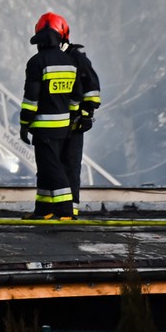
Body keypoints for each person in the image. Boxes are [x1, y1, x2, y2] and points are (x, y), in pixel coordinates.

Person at [19, 12, 82, 220]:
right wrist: (73, 117)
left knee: (51, 168)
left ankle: (65, 210)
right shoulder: (69, 62)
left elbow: (31, 99)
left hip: (43, 127)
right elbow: (76, 97)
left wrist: (24, 123)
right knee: (46, 170)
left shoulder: (36, 62)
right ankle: (44, 209)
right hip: (64, 128)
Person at [60, 26, 101, 218]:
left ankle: (70, 208)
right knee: (56, 165)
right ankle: (58, 207)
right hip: (59, 122)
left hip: (74, 123)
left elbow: (92, 89)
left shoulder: (77, 59)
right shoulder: (55, 59)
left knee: (71, 164)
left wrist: (86, 114)